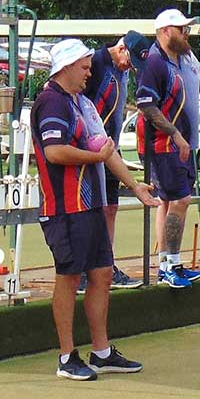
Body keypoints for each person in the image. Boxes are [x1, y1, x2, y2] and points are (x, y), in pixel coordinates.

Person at [31, 39, 159, 381]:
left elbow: (107, 149)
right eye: (85, 67)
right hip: (65, 207)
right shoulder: (51, 101)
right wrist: (95, 157)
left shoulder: (82, 103)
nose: (90, 73)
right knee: (70, 277)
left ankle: (101, 353)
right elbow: (55, 152)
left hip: (91, 205)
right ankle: (66, 356)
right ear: (66, 67)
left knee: (102, 274)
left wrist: (135, 186)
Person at [136, 9, 200, 288]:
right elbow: (145, 103)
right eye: (181, 29)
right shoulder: (155, 62)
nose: (186, 34)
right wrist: (175, 133)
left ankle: (168, 264)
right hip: (162, 144)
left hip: (180, 143)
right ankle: (170, 264)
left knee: (170, 201)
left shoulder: (179, 59)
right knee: (180, 200)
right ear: (165, 31)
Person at [80, 30, 152, 292]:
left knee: (111, 208)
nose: (130, 68)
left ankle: (106, 265)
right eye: (129, 62)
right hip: (91, 146)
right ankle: (86, 270)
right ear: (121, 49)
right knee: (92, 210)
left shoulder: (122, 71)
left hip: (112, 146)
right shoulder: (97, 63)